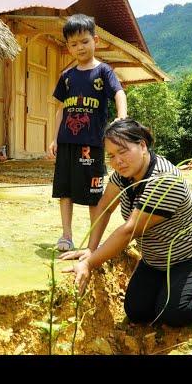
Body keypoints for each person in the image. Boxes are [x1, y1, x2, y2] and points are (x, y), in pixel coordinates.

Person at [59, 118, 192, 329]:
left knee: (175, 313)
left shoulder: (164, 181)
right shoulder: (124, 175)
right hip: (155, 260)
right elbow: (104, 207)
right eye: (111, 155)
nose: (117, 161)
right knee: (137, 311)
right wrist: (90, 250)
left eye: (123, 151)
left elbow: (130, 230)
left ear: (142, 145)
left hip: (191, 257)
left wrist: (89, 263)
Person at [47, 14, 127, 251]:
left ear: (95, 40)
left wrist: (121, 118)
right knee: (65, 190)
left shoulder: (104, 72)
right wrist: (54, 138)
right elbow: (61, 109)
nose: (79, 47)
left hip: (92, 143)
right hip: (67, 142)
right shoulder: (67, 77)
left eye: (84, 41)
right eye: (73, 44)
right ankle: (66, 235)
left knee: (94, 193)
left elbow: (119, 94)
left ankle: (95, 240)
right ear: (68, 47)